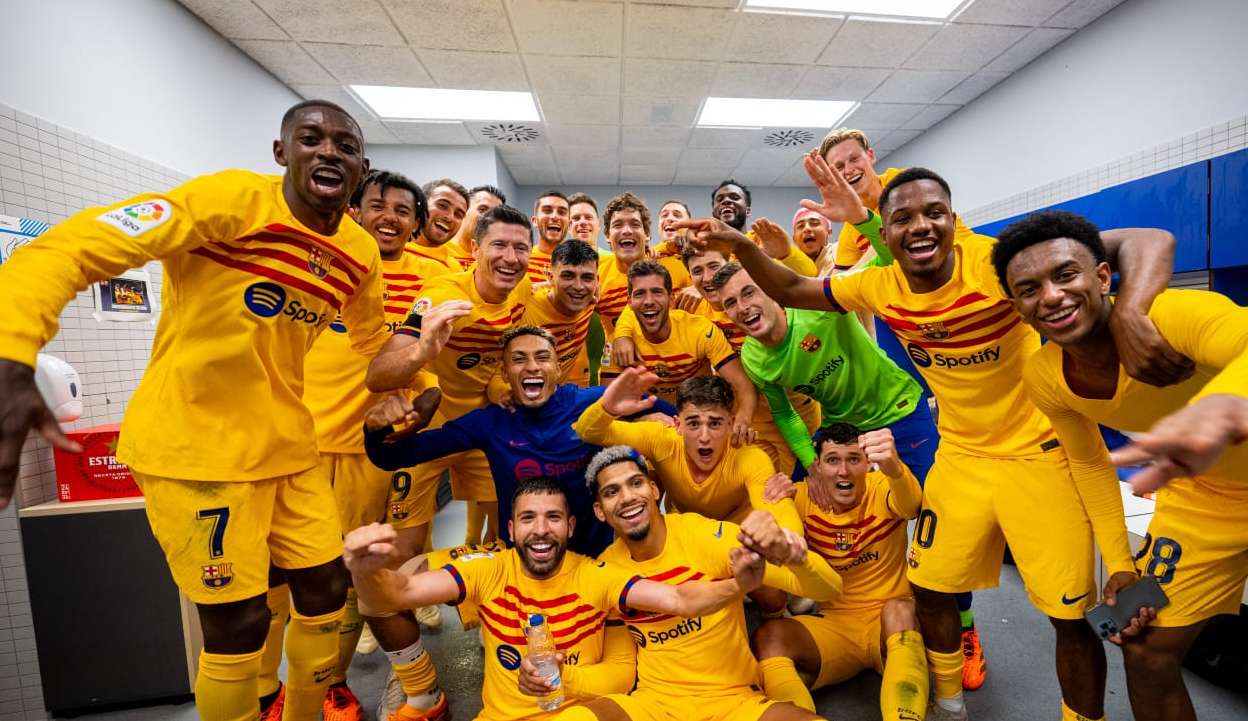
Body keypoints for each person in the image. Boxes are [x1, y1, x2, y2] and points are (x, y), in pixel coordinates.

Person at [679, 160, 1183, 721]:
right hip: (959, 457)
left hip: (1036, 457)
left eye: (934, 213)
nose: (921, 226)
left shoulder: (997, 265)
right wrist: (738, 245)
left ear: (952, 218)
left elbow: (1145, 239)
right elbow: (794, 287)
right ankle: (948, 702)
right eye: (903, 219)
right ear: (888, 232)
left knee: (1069, 616)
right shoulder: (879, 285)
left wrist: (1132, 311)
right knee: (927, 583)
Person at [0, 100, 413, 721]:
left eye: (346, 146)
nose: (329, 151)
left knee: (327, 592)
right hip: (194, 450)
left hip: (285, 445)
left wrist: (414, 370)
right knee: (239, 623)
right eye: (311, 138)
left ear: (361, 167)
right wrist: (12, 351)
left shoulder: (358, 251)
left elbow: (371, 341)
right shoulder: (228, 202)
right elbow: (71, 248)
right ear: (282, 153)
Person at [992, 210, 1248, 721]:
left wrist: (1223, 404)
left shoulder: (1172, 315)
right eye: (1029, 289)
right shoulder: (1045, 377)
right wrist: (1121, 565)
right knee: (1144, 648)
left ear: (1103, 277)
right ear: (1018, 308)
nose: (1051, 296)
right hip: (1204, 498)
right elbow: (1090, 466)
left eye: (1066, 274)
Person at [343, 476, 773, 721]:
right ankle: (422, 695)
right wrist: (364, 569)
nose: (541, 530)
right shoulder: (489, 569)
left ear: (570, 527)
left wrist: (738, 585)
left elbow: (679, 599)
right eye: (528, 518)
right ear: (511, 530)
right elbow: (397, 593)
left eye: (553, 518)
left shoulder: (597, 575)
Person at [529, 445, 839, 721]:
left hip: (734, 700)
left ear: (654, 490)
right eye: (611, 492)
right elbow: (621, 669)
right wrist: (563, 676)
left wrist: (795, 557)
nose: (627, 498)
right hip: (653, 705)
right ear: (600, 511)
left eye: (635, 483)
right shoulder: (605, 569)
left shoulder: (705, 537)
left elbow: (829, 589)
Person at [298, 169, 439, 720]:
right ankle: (319, 686)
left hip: (381, 450)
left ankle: (402, 687)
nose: (390, 217)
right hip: (307, 445)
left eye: (403, 210)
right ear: (355, 210)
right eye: (378, 205)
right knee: (314, 577)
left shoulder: (429, 282)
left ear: (416, 224)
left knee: (372, 572)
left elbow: (429, 375)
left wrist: (416, 414)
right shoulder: (320, 266)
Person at [364, 325, 676, 558]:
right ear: (505, 372)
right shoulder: (488, 422)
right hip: (524, 563)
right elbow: (393, 457)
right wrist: (376, 428)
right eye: (518, 359)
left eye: (542, 357)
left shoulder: (594, 402)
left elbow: (679, 417)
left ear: (557, 368)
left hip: (596, 561)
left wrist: (653, 422)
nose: (532, 366)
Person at [368, 205, 536, 553]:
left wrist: (498, 385)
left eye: (520, 248)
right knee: (406, 544)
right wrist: (422, 350)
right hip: (430, 429)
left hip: (484, 426)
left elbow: (503, 353)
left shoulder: (523, 289)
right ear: (475, 249)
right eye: (499, 245)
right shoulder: (443, 296)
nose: (510, 258)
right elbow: (377, 375)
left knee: (507, 536)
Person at [752, 424, 928, 720]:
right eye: (833, 460)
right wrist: (771, 499)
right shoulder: (801, 496)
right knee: (770, 636)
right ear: (817, 466)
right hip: (836, 626)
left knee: (901, 609)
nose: (843, 471)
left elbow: (911, 505)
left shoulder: (883, 486)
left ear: (868, 464)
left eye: (853, 459)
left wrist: (895, 468)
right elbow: (768, 534)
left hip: (890, 623)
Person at [612, 248, 822, 476]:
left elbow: (799, 282)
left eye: (714, 266)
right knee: (761, 482)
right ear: (690, 277)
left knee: (806, 477)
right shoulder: (694, 308)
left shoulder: (759, 300)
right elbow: (644, 302)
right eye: (697, 271)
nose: (708, 277)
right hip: (746, 417)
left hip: (796, 409)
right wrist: (622, 333)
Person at [574, 368, 801, 537]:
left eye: (714, 424)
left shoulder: (750, 457)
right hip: (685, 535)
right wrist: (606, 408)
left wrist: (790, 540)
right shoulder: (662, 438)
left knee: (773, 588)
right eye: (693, 423)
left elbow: (780, 512)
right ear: (677, 424)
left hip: (737, 536)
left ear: (730, 424)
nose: (704, 436)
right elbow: (588, 431)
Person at [598, 260, 759, 448]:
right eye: (640, 294)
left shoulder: (699, 330)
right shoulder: (618, 344)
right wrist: (641, 420)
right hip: (654, 425)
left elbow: (743, 385)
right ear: (629, 302)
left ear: (671, 298)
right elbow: (608, 408)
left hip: (701, 420)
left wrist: (742, 420)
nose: (649, 301)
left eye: (657, 292)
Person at [815, 128, 974, 273]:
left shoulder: (904, 185)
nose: (849, 170)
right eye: (839, 167)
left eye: (854, 159)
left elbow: (892, 246)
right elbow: (839, 278)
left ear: (870, 156)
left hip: (968, 269)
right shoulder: (850, 227)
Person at [594, 192, 692, 337]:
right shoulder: (596, 275)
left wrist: (699, 290)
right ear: (607, 236)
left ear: (647, 234)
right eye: (618, 225)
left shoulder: (674, 267)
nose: (627, 231)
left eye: (635, 224)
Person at [520, 239, 600, 386]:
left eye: (587, 277)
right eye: (568, 276)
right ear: (550, 277)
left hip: (560, 392)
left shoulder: (589, 302)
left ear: (596, 281)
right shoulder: (525, 309)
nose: (578, 287)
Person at [712, 179, 817, 276]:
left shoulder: (764, 240)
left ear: (747, 211)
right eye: (720, 199)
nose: (726, 201)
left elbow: (810, 274)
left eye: (735, 198)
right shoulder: (705, 247)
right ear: (714, 213)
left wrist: (785, 254)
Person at [407, 178, 470, 271]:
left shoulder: (456, 271)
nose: (450, 217)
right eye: (442, 206)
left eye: (458, 214)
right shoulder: (388, 249)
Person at [449, 184, 506, 270]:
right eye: (482, 209)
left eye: (497, 214)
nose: (490, 218)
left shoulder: (499, 261)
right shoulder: (437, 252)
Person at [529, 190, 571, 283]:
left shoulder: (580, 264)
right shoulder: (522, 260)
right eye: (547, 211)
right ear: (535, 221)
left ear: (569, 224)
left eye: (561, 212)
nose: (555, 217)